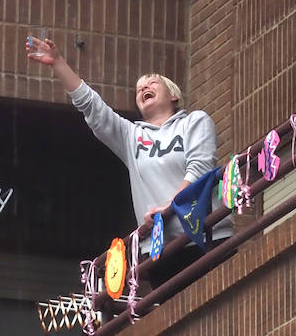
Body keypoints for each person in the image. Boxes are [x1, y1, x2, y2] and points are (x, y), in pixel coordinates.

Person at [26, 36, 231, 282]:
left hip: (209, 234)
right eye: (138, 89)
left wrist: (171, 206)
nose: (143, 88)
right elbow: (92, 107)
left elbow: (200, 167)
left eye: (152, 83)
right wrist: (58, 63)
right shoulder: (132, 136)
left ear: (173, 95)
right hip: (161, 248)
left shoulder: (195, 121)